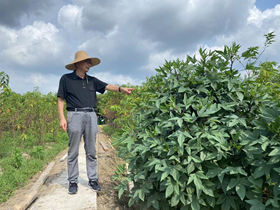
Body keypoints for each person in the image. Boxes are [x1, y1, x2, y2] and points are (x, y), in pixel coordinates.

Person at [57, 51, 135, 194]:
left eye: (90, 62)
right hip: (74, 114)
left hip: (91, 115)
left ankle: (93, 179)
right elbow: (61, 99)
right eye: (87, 62)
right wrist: (62, 117)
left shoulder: (91, 80)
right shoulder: (66, 79)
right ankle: (73, 181)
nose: (89, 65)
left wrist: (121, 89)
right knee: (73, 150)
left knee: (91, 150)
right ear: (77, 63)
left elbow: (107, 86)